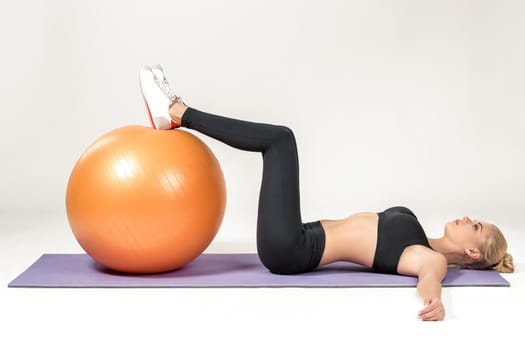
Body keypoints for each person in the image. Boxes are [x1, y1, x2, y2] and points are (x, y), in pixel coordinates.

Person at [139, 64, 514, 321]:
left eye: (476, 226)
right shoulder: (418, 235)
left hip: (291, 250)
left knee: (280, 140)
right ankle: (176, 112)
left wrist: (436, 300)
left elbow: (429, 279)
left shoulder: (428, 258)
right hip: (298, 235)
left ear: (472, 251)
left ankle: (177, 111)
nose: (468, 218)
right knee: (281, 140)